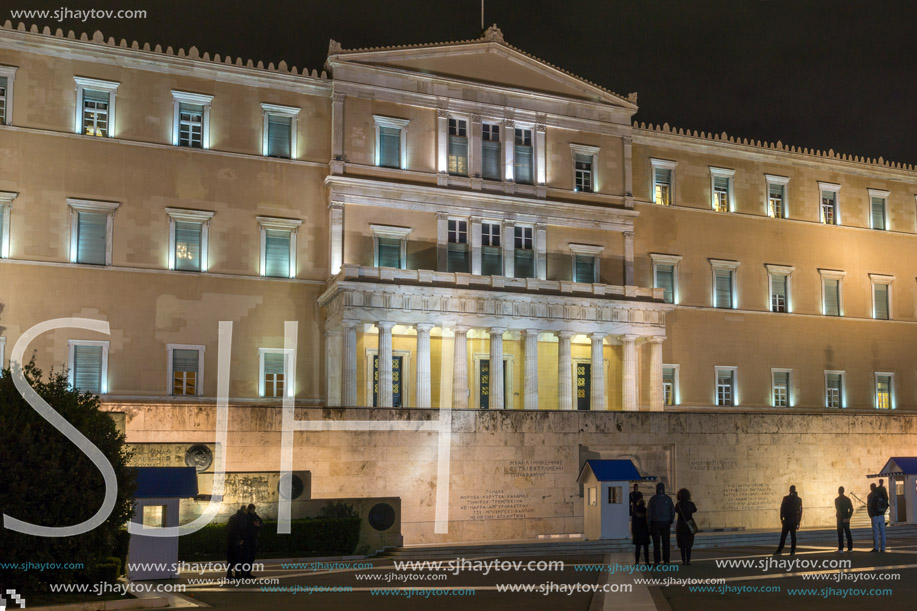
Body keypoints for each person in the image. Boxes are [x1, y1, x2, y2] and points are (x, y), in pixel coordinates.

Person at [647, 482, 675, 565]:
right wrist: (671, 520)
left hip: (655, 523)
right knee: (666, 542)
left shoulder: (653, 499)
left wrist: (648, 524)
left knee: (656, 543)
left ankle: (657, 561)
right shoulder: (668, 499)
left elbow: (649, 513)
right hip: (666, 523)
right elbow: (672, 511)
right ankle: (666, 560)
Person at [775, 485, 803, 555]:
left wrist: (781, 518)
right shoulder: (798, 499)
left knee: (785, 536)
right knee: (792, 536)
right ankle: (792, 550)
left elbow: (782, 508)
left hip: (788, 519)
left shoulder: (787, 498)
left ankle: (780, 550)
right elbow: (800, 511)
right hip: (792, 520)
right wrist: (798, 521)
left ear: (790, 490)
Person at [675, 488, 698, 565]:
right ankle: (688, 560)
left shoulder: (678, 505)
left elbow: (676, 510)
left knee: (682, 545)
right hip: (689, 524)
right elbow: (694, 510)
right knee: (688, 544)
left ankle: (683, 561)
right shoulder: (691, 504)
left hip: (681, 525)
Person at [241, 503, 263, 578]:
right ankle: (243, 573)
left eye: (254, 509)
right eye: (252, 509)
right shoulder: (246, 517)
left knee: (251, 557)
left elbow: (262, 524)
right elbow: (244, 527)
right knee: (246, 557)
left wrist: (259, 525)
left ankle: (248, 573)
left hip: (253, 539)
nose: (253, 511)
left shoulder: (256, 516)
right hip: (247, 539)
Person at [225, 505, 247, 579]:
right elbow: (242, 529)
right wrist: (241, 539)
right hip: (237, 540)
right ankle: (237, 574)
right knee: (238, 558)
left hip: (230, 540)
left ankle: (229, 574)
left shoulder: (233, 517)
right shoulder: (242, 517)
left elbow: (227, 528)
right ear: (244, 510)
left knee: (230, 558)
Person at [868, 482, 888, 552]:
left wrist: (870, 515)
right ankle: (883, 548)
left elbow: (869, 506)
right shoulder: (881, 494)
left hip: (874, 516)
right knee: (883, 532)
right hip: (881, 515)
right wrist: (883, 512)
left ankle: (876, 547)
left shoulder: (870, 495)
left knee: (875, 532)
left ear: (871, 488)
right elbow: (886, 503)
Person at [632, 498, 650, 565]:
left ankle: (637, 562)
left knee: (638, 548)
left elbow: (633, 524)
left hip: (637, 532)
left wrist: (633, 532)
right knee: (646, 548)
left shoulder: (635, 512)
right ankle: (647, 561)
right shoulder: (646, 511)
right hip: (645, 531)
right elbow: (648, 521)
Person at [835, 486, 854, 552]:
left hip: (840, 519)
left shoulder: (837, 500)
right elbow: (851, 509)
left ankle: (841, 548)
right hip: (846, 518)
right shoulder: (847, 499)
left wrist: (843, 518)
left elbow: (838, 509)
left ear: (838, 491)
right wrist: (848, 517)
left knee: (840, 534)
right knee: (848, 533)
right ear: (843, 491)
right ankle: (850, 548)